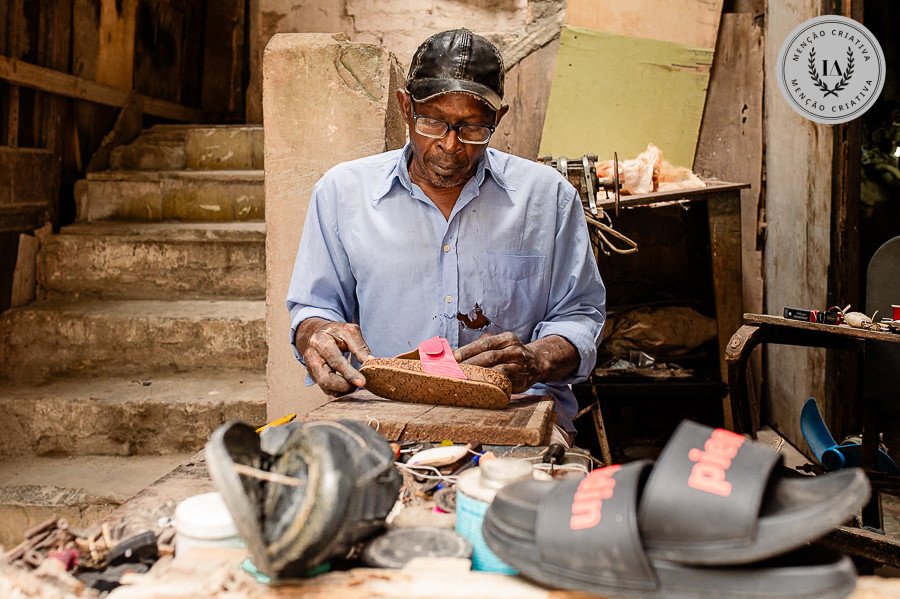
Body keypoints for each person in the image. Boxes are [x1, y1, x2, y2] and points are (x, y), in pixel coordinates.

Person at [287, 28, 605, 440]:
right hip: (384, 414)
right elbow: (314, 308)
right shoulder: (342, 192)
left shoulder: (548, 198)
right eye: (433, 122)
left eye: (472, 127)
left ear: (498, 118)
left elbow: (580, 315)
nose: (451, 145)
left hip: (517, 412)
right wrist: (317, 334)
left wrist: (537, 358)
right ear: (405, 107)